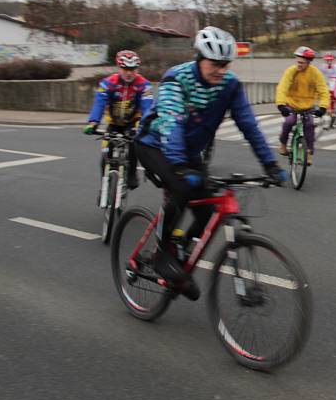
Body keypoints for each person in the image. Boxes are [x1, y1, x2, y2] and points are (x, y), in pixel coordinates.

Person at [135, 26, 285, 300]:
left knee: (205, 211)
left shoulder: (229, 86)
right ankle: (162, 254)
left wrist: (270, 165)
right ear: (199, 58)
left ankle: (180, 254)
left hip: (189, 152)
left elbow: (249, 126)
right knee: (181, 188)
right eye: (215, 64)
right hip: (155, 144)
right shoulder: (177, 79)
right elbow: (171, 123)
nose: (221, 70)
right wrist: (180, 166)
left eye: (225, 65)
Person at [84, 50, 152, 190]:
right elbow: (99, 103)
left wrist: (146, 127)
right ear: (119, 68)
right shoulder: (108, 83)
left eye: (132, 69)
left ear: (137, 69)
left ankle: (132, 174)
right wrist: (93, 122)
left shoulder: (144, 85)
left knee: (134, 146)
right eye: (125, 69)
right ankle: (105, 186)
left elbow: (147, 107)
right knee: (106, 155)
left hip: (132, 123)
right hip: (113, 124)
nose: (129, 73)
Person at [275, 46, 331, 166]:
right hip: (292, 104)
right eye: (297, 62)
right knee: (289, 122)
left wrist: (323, 107)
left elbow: (323, 90)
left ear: (308, 62)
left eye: (302, 63)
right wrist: (281, 105)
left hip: (308, 107)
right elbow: (282, 87)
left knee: (310, 125)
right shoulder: (291, 71)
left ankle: (309, 154)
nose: (299, 65)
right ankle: (283, 144)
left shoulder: (315, 73)